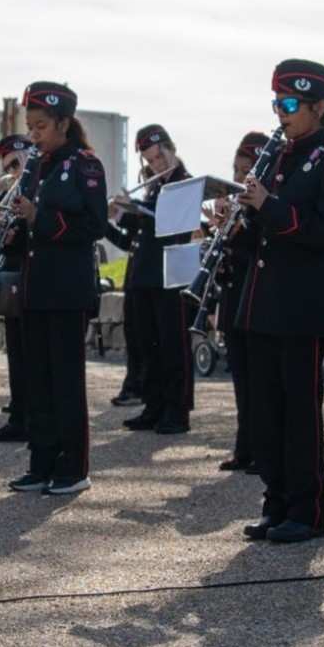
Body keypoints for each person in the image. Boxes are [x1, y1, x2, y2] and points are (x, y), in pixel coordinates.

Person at [231, 60, 324, 544]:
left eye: (289, 104)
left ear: (319, 107)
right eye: (277, 103)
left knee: (299, 412)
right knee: (265, 412)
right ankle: (276, 500)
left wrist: (268, 206)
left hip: (302, 304)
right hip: (263, 302)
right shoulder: (276, 157)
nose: (280, 113)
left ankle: (307, 509)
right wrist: (237, 223)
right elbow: (260, 239)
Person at [6, 84, 109, 497]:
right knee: (38, 382)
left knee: (66, 383)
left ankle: (73, 466)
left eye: (41, 126)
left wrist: (38, 217)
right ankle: (42, 462)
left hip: (66, 290)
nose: (33, 135)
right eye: (30, 126)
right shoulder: (38, 164)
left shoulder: (85, 164)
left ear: (64, 123)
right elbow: (30, 229)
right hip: (35, 289)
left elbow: (94, 225)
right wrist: (11, 229)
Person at [107, 124, 197, 435]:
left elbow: (174, 224)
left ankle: (177, 409)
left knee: (173, 345)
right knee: (148, 344)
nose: (156, 165)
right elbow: (138, 230)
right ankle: (154, 404)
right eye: (150, 161)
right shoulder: (155, 187)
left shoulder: (184, 183)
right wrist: (120, 212)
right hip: (146, 273)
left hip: (172, 274)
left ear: (171, 150)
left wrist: (139, 208)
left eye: (159, 158)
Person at [213, 132, 272, 473]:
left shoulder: (262, 208)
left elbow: (257, 252)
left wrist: (235, 236)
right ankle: (244, 447)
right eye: (235, 169)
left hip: (255, 300)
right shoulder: (237, 207)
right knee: (241, 383)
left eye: (245, 170)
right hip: (233, 298)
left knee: (258, 384)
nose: (237, 177)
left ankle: (262, 450)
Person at [0, 134, 36, 444]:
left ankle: (27, 418)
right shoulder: (13, 189)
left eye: (15, 163)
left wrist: (17, 234)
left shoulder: (35, 184)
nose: (12, 171)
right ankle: (19, 412)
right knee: (16, 350)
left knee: (28, 352)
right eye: (8, 167)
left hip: (31, 276)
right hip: (12, 273)